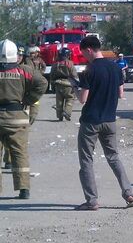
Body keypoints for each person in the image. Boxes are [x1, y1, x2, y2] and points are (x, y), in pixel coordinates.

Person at [73, 36, 133, 210]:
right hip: (110, 120)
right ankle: (129, 193)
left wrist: (74, 87)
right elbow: (120, 93)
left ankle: (92, 201)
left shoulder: (89, 70)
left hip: (90, 121)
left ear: (88, 50)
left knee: (86, 160)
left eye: (83, 53)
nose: (84, 57)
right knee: (114, 157)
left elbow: (82, 99)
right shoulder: (116, 67)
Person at [0, 39, 47, 199]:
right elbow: (43, 83)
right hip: (17, 118)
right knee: (20, 153)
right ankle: (24, 189)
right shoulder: (24, 70)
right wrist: (28, 99)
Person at [50, 48, 78, 121]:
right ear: (67, 55)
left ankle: (59, 116)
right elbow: (74, 75)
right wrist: (76, 84)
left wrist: (52, 85)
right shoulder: (70, 63)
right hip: (68, 84)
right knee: (70, 98)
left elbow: (52, 75)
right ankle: (67, 112)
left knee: (59, 100)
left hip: (58, 84)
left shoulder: (55, 64)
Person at [22, 46, 46, 125]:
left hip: (35, 82)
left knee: (35, 106)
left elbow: (44, 66)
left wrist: (40, 74)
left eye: (34, 53)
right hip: (27, 83)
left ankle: (30, 120)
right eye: (31, 53)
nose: (33, 54)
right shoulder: (25, 60)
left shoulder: (39, 60)